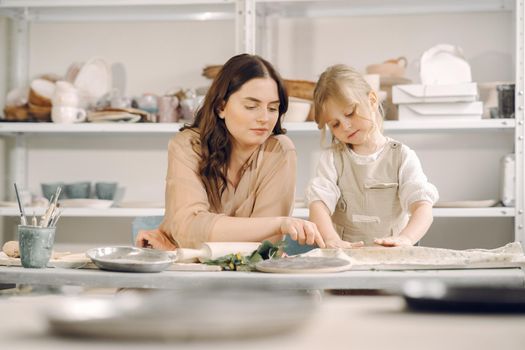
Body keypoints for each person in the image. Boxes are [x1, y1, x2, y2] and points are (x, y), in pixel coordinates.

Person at [136, 53, 325, 250]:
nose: (264, 118)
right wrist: (278, 223)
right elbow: (188, 229)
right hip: (186, 272)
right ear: (221, 107)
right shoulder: (188, 145)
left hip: (245, 275)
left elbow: (265, 245)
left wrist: (197, 238)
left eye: (273, 108)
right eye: (251, 106)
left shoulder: (279, 151)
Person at [306, 64, 438, 249]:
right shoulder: (332, 160)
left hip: (394, 258)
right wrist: (330, 239)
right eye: (335, 124)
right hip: (346, 258)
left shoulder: (402, 156)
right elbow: (318, 204)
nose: (345, 126)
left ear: (372, 100)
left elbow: (423, 208)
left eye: (350, 114)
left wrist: (406, 238)